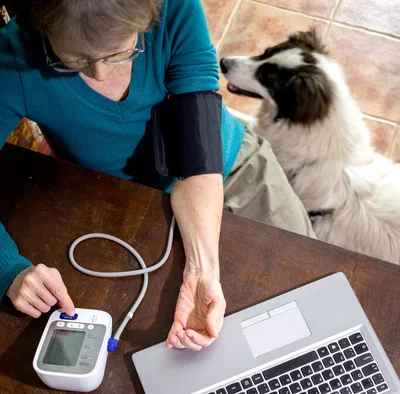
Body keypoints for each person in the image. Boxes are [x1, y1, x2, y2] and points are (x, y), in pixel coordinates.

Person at [0, 0, 315, 351]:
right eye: (75, 61)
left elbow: (198, 161)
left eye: (119, 52)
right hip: (125, 207)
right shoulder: (14, 59)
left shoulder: (175, 7)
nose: (100, 73)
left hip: (232, 167)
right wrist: (8, 269)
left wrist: (202, 271)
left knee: (309, 283)